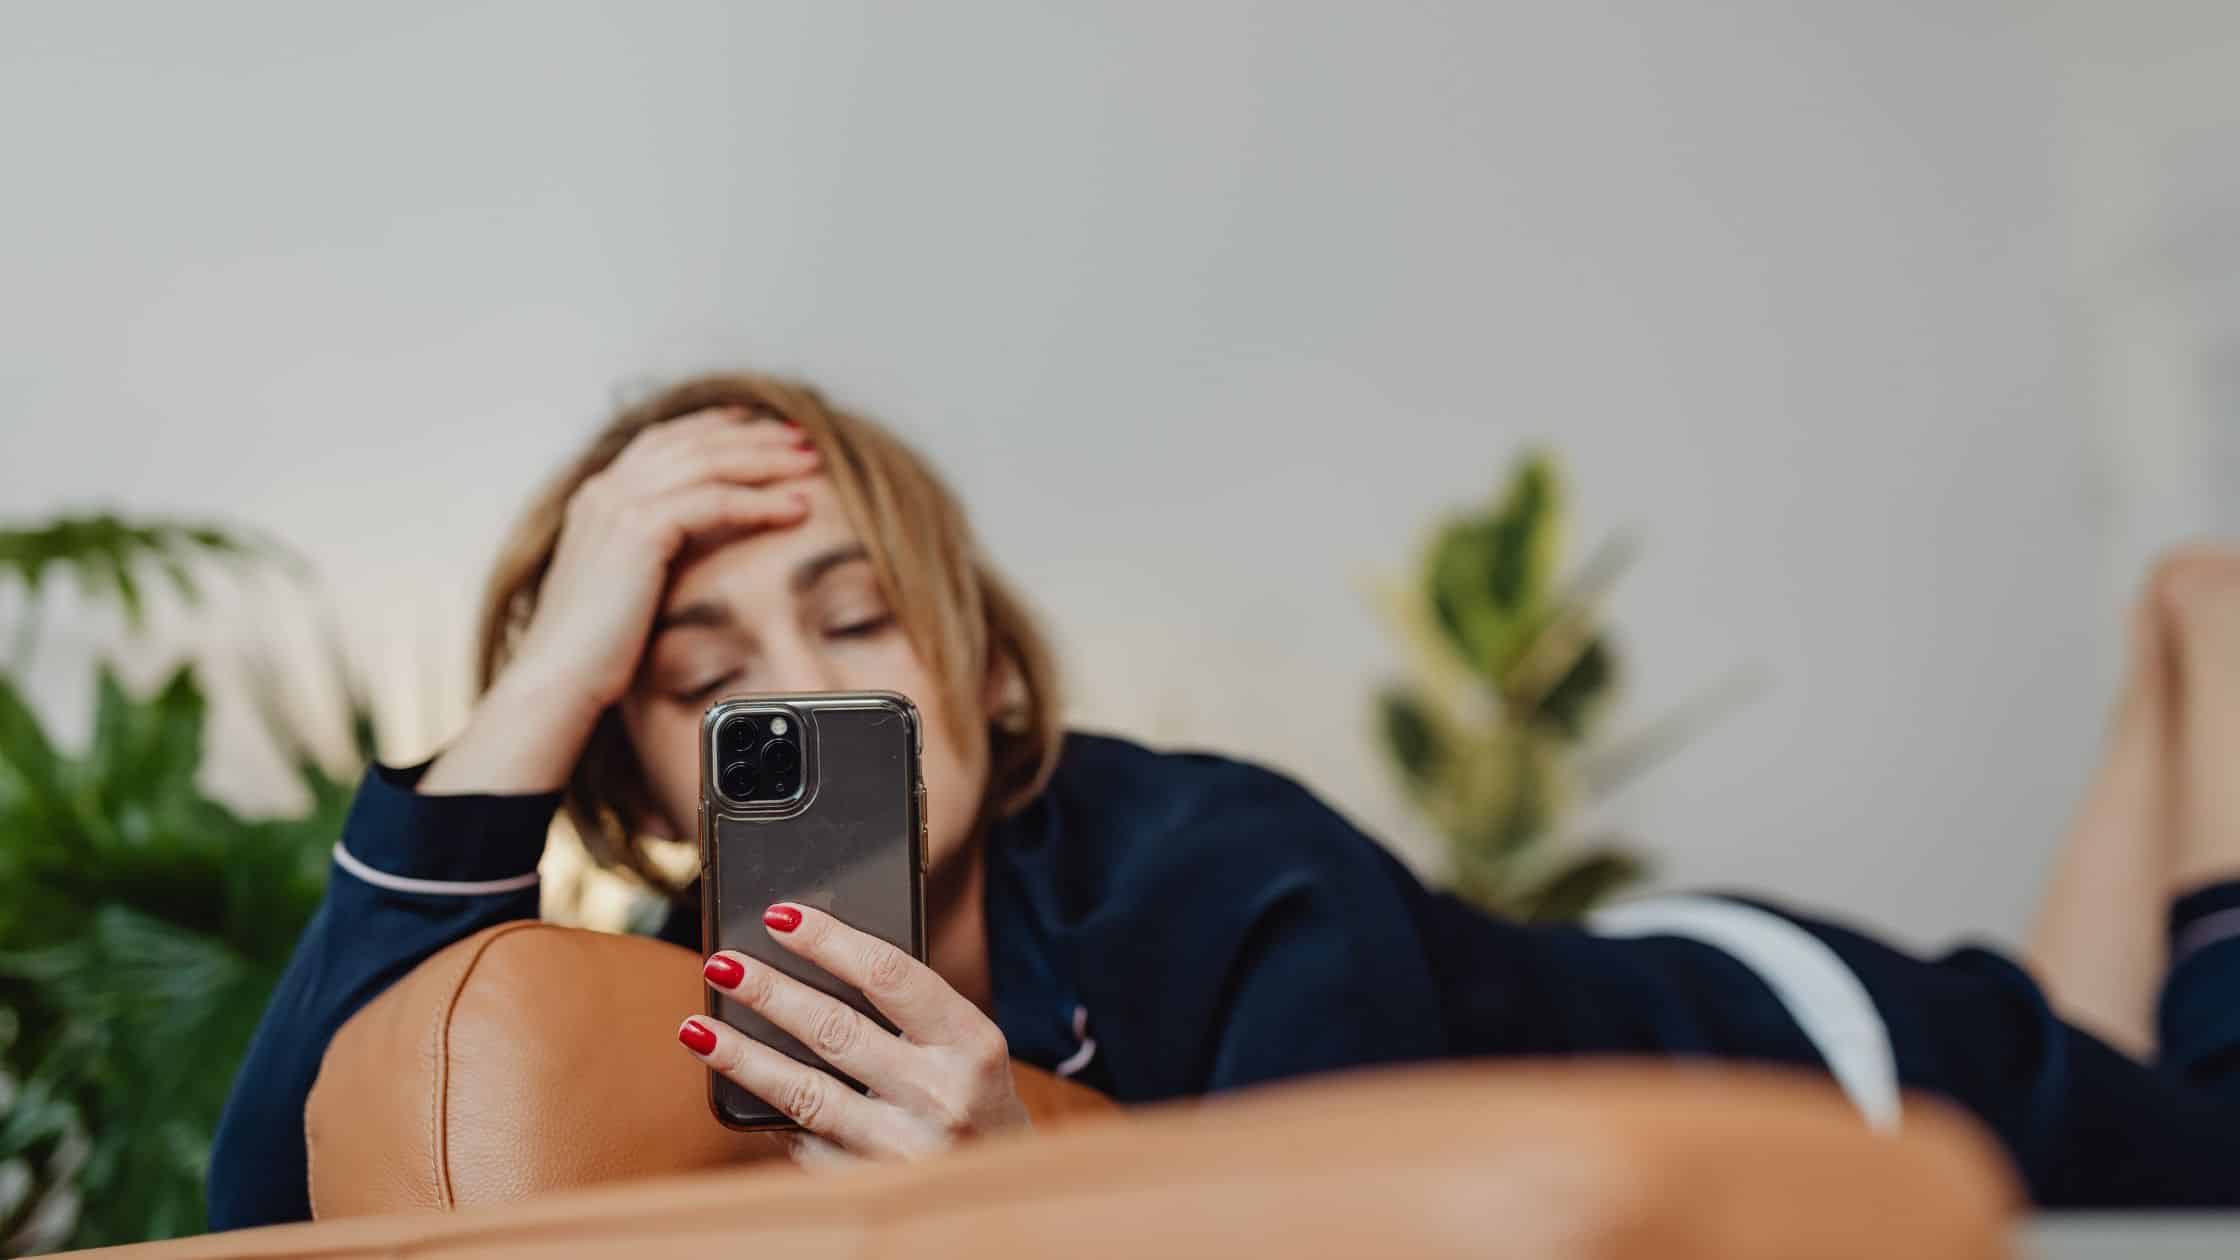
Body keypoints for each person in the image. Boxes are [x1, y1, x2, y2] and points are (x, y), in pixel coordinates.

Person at [208, 371, 2240, 1227]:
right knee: (2111, 1049)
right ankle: (2177, 661)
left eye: (858, 615)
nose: (805, 697)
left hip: (1801, 1042)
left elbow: (1347, 1228)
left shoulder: (1214, 864)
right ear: (638, 777)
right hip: (1659, 981)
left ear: (986, 670)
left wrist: (1026, 1178)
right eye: (698, 680)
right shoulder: (704, 997)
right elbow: (292, 1211)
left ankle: (2218, 640)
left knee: (2202, 1147)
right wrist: (542, 677)